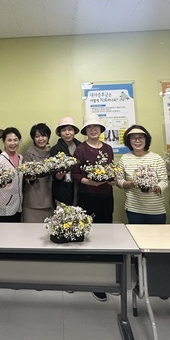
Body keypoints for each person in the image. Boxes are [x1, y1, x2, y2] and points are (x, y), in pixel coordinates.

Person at [71, 114, 115, 302]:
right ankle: (93, 279)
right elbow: (74, 173)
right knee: (89, 235)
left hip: (106, 196)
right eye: (90, 127)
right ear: (85, 131)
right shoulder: (80, 149)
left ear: (101, 130)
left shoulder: (108, 148)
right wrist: (89, 181)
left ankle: (107, 278)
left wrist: (111, 178)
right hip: (87, 196)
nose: (93, 130)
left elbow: (111, 170)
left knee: (106, 234)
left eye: (96, 127)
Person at [116, 125, 168, 224]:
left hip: (156, 208)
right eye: (133, 138)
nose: (137, 141)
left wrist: (155, 188)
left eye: (140, 137)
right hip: (134, 208)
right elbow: (119, 181)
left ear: (146, 139)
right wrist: (130, 184)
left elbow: (164, 181)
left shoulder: (156, 158)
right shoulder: (124, 158)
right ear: (129, 141)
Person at [22, 123, 54, 223]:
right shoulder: (29, 153)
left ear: (48, 137)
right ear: (33, 138)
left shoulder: (53, 152)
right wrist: (30, 178)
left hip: (49, 197)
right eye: (37, 136)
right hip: (32, 199)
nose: (40, 139)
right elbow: (25, 174)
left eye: (43, 136)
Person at [0, 127, 23, 222]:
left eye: (15, 140)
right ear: (4, 142)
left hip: (18, 204)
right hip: (5, 205)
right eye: (9, 140)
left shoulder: (20, 158)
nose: (13, 143)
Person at [49, 116, 81, 206]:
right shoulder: (55, 149)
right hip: (62, 191)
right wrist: (59, 176)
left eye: (70, 129)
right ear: (60, 133)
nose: (67, 133)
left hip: (80, 188)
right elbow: (53, 173)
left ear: (74, 131)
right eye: (63, 130)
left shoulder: (81, 147)